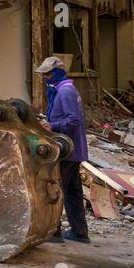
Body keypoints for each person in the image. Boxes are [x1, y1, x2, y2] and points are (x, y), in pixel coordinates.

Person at [36, 55, 90, 243]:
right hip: (73, 150)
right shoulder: (64, 90)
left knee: (56, 190)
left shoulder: (65, 92)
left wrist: (53, 126)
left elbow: (73, 120)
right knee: (73, 191)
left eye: (48, 74)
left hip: (67, 150)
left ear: (57, 72)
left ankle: (54, 231)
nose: (45, 78)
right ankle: (80, 233)